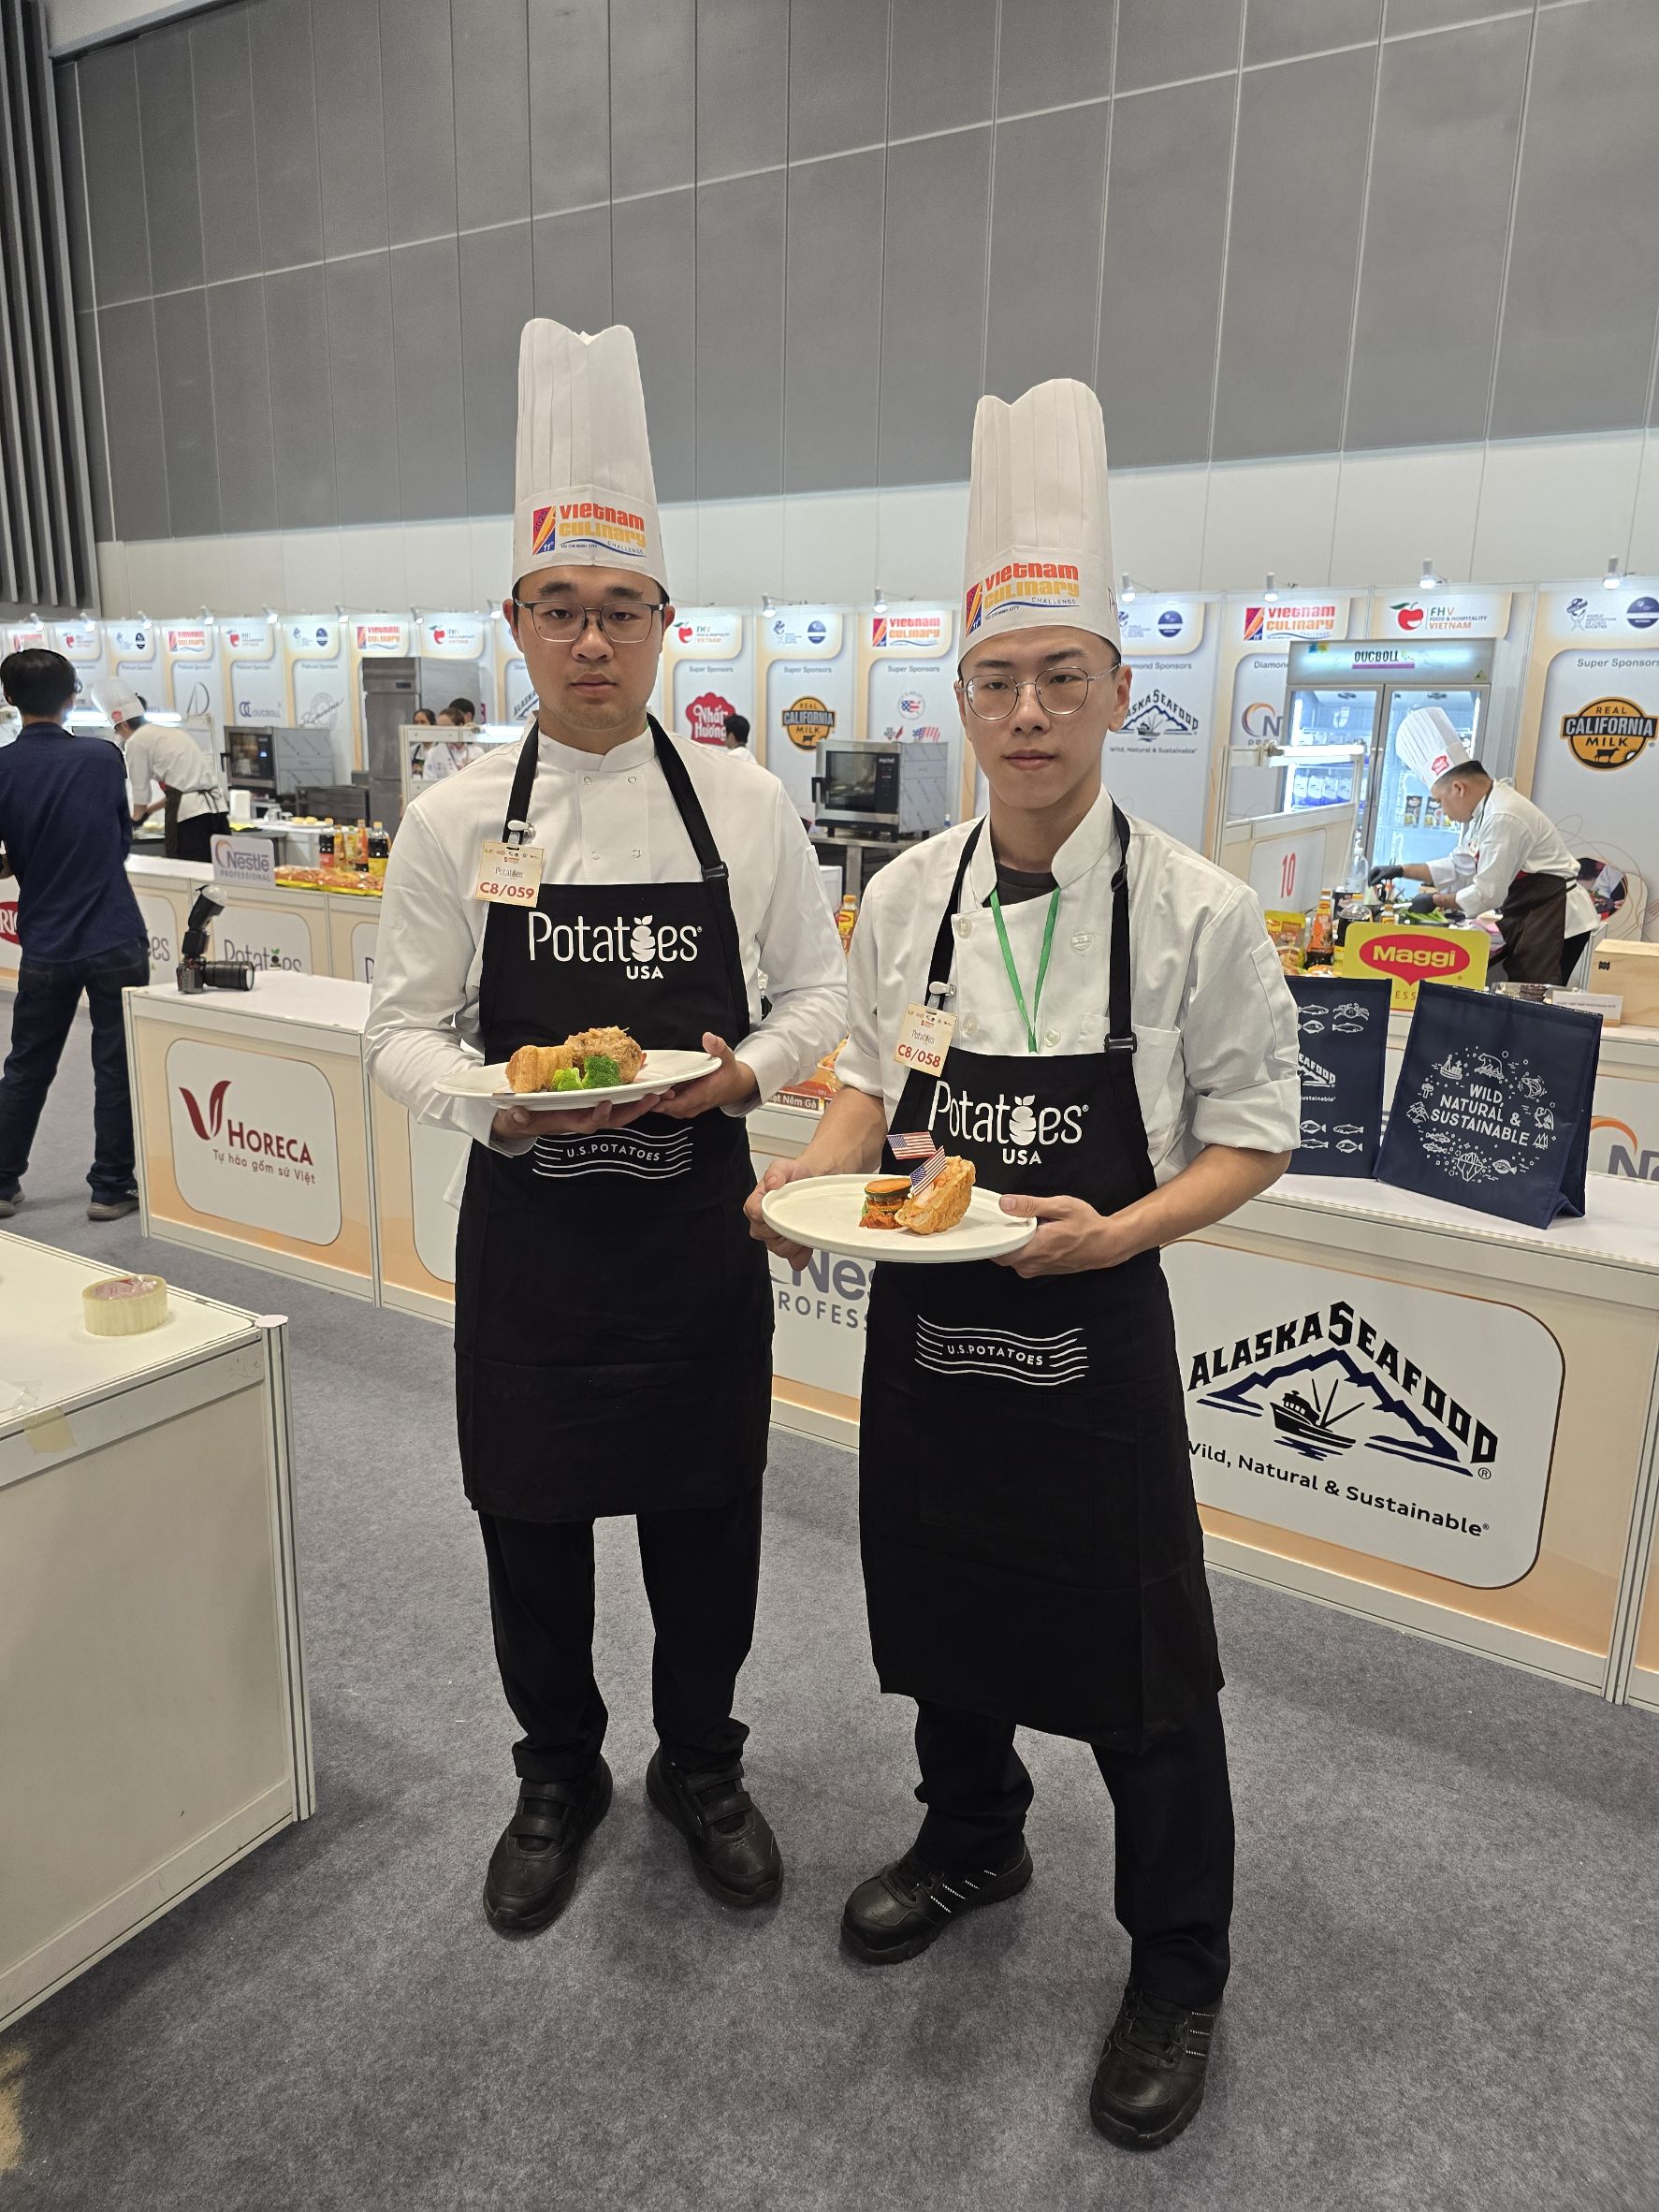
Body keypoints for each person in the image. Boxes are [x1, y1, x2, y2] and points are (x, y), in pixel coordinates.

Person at [748, 378, 1300, 2153]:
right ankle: (972, 1834)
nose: (1030, 711)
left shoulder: (1201, 912)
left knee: (1147, 1666)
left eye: (1063, 676)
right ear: (960, 701)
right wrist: (809, 1181)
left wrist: (1116, 1229)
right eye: (997, 680)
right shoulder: (907, 891)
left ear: (1120, 692)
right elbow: (866, 1081)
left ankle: (1178, 1961)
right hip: (929, 1338)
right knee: (942, 1608)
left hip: (1093, 1336)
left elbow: (1252, 1132)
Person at [366, 320, 847, 1939]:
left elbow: (819, 999)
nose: (591, 640)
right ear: (515, 622)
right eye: (560, 608)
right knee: (532, 1524)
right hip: (536, 1246)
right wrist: (494, 1105)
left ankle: (702, 1763)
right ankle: (557, 1773)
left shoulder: (743, 804)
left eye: (621, 609)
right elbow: (400, 1030)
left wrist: (738, 1078)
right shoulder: (453, 819)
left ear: (664, 624)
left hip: (691, 1245)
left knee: (708, 1522)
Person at [0, 649, 150, 1222]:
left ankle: (2, 1179)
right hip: (113, 931)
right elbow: (119, 838)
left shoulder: (3, 766)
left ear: (9, 699)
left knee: (26, 1064)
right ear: (72, 696)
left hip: (45, 938)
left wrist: (23, 860)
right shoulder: (102, 756)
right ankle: (110, 1188)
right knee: (116, 1064)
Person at [1377, 709, 1598, 984]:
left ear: (1458, 788)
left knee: (1535, 997)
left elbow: (1487, 895)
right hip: (1534, 913)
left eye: (1439, 801)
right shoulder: (1487, 809)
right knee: (1523, 991)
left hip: (1557, 919)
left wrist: (1435, 901)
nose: (1442, 810)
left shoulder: (1503, 816)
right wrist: (1401, 870)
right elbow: (1459, 866)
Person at [94, 677, 229, 863]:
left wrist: (135, 819)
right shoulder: (171, 732)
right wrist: (149, 811)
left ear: (124, 724)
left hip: (191, 818)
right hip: (217, 811)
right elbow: (183, 789)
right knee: (222, 869)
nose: (118, 735)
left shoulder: (136, 741)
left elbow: (140, 791)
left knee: (191, 872)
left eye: (117, 730)